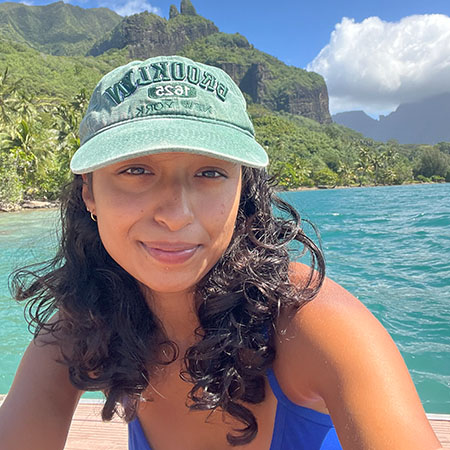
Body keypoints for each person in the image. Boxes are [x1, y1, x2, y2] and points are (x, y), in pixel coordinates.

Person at [0, 55, 443, 450]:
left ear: (242, 190)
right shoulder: (87, 324)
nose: (175, 214)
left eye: (210, 172)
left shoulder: (314, 323)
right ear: (90, 194)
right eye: (136, 170)